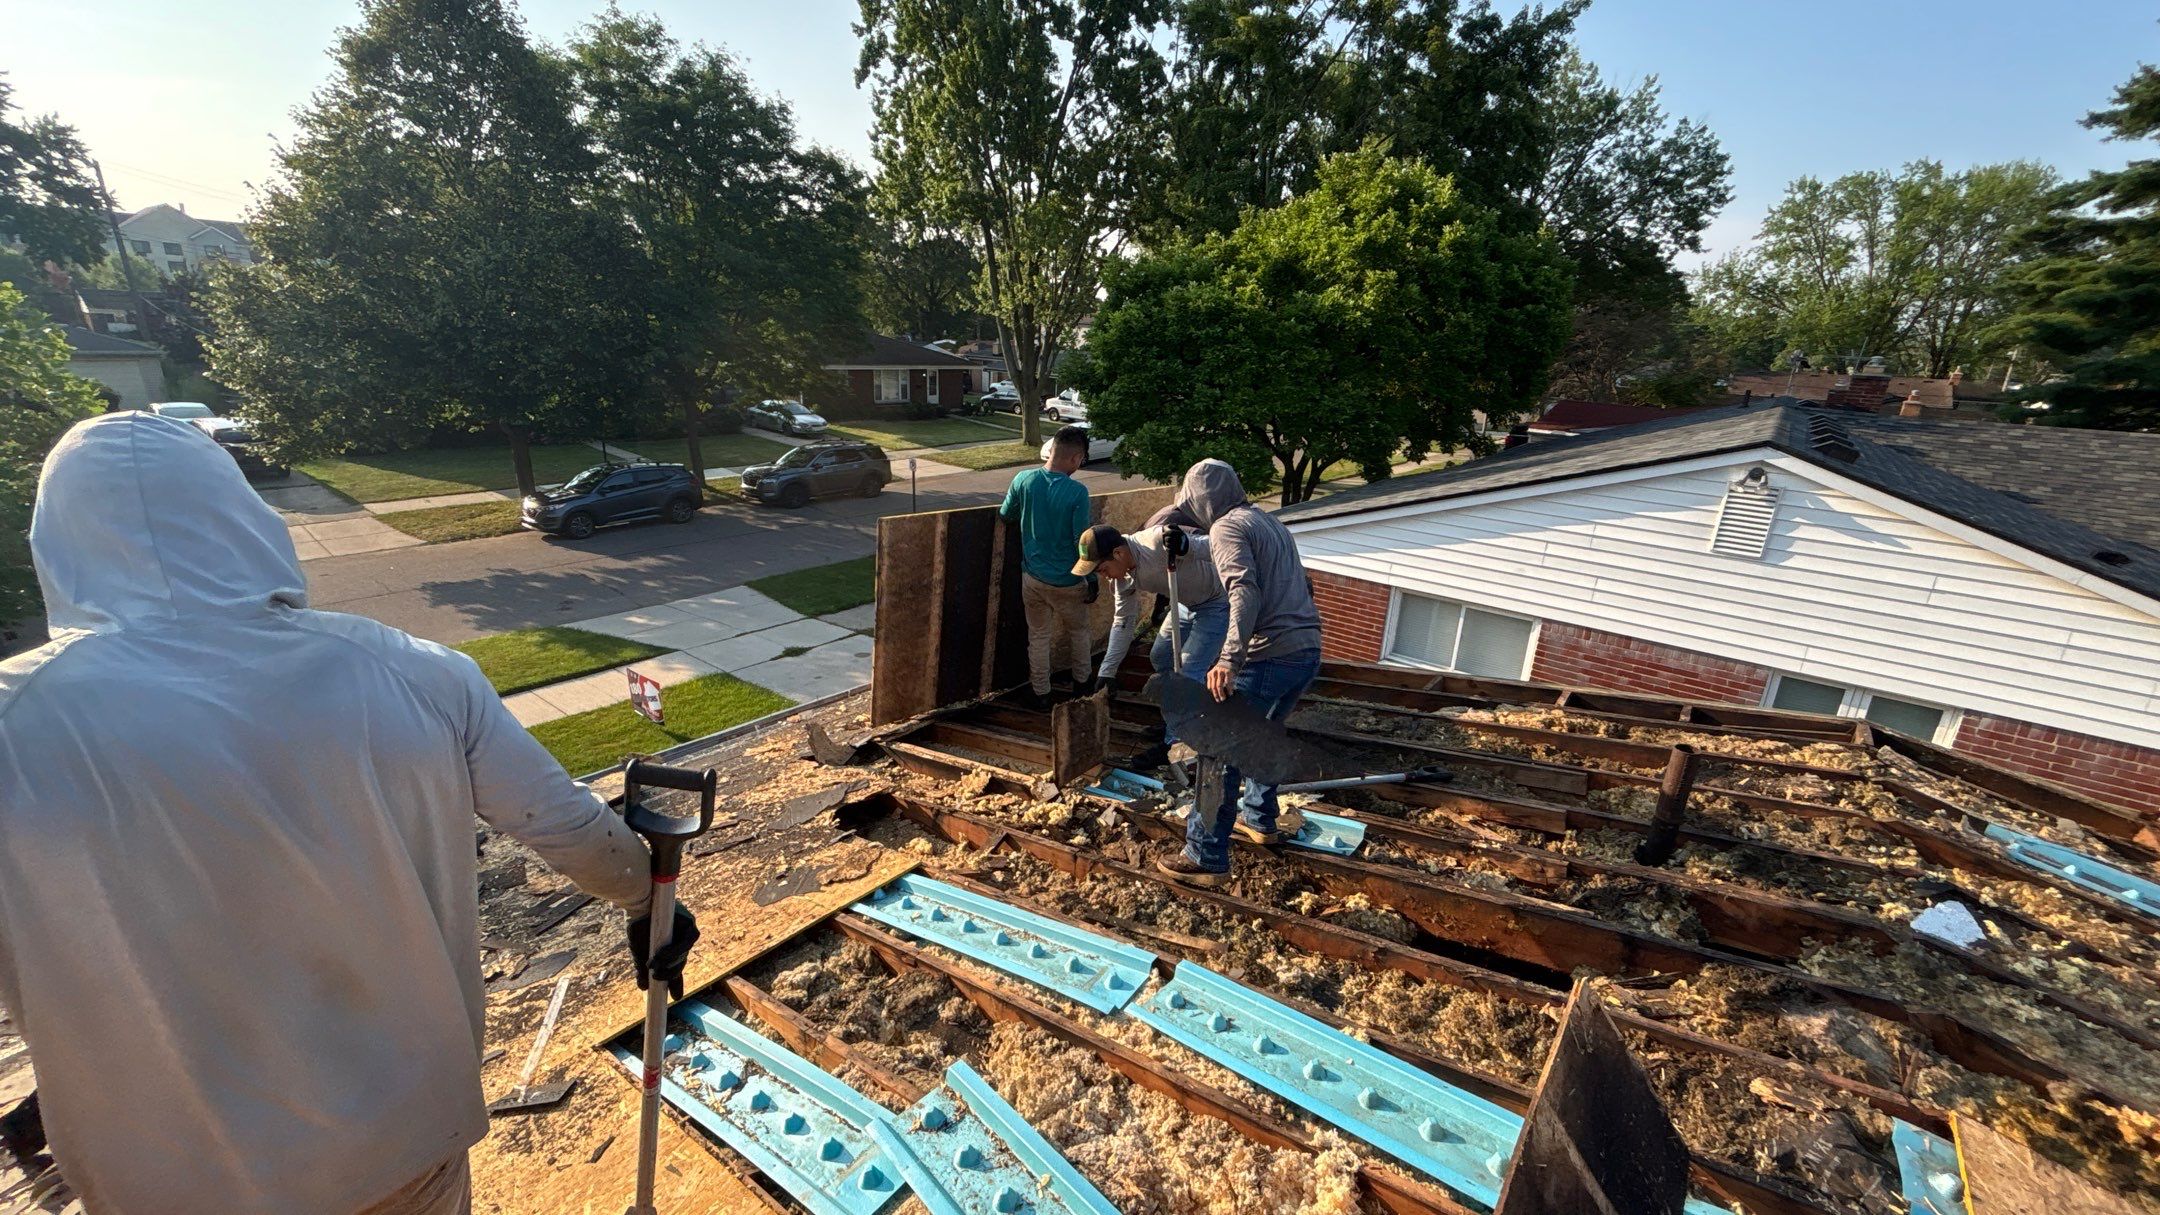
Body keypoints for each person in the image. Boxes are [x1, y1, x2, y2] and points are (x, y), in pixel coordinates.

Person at [0, 412, 698, 1215]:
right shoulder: (415, 673)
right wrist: (648, 900)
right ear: (241, 515)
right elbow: (567, 826)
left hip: (170, 1176)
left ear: (57, 542)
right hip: (403, 1141)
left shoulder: (17, 725)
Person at [1154, 459, 1324, 888]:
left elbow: (1243, 590)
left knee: (1217, 749)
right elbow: (1237, 556)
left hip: (1270, 655)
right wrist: (1188, 545)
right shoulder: (1267, 522)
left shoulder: (1227, 527)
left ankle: (1205, 855)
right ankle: (1260, 819)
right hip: (1305, 651)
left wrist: (1229, 658)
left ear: (1200, 500)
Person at [1070, 521, 1226, 765]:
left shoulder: (1156, 542)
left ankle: (1175, 747)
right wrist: (1107, 671)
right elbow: (1123, 621)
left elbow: (1221, 546)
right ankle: (1175, 721)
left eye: (1102, 569)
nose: (1103, 576)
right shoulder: (1122, 579)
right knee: (1161, 656)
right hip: (1184, 604)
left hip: (1217, 602)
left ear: (1118, 554)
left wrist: (1186, 544)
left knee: (1187, 672)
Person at [1000, 424, 1094, 709]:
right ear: (1075, 458)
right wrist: (1091, 579)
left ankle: (1041, 693)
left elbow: (1005, 515)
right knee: (1079, 632)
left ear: (1052, 450)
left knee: (1038, 636)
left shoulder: (1023, 479)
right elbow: (1081, 540)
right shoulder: (1077, 492)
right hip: (1068, 581)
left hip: (1033, 578)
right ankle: (1082, 687)